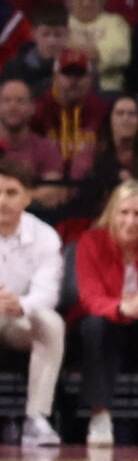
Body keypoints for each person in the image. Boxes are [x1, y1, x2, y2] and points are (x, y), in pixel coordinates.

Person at [74, 176, 138, 450]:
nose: (130, 221)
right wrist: (121, 307)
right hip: (108, 318)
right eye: (123, 212)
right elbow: (90, 297)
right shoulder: (90, 242)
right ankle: (100, 416)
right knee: (94, 327)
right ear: (112, 213)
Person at [0, 160, 64, 446]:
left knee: (51, 323)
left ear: (27, 197)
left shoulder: (45, 236)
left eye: (11, 193)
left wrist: (21, 304)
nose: (2, 201)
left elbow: (48, 292)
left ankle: (36, 418)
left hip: (18, 317)